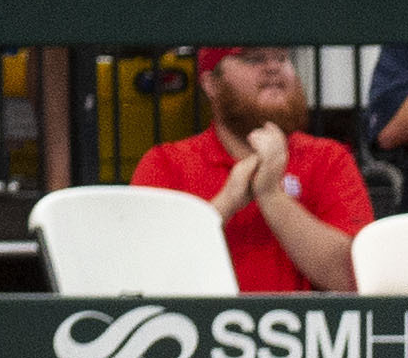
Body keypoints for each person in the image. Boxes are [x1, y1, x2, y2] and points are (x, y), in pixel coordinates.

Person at [128, 44, 371, 293]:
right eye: (253, 59)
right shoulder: (166, 163)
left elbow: (356, 278)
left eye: (282, 57)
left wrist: (271, 195)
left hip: (308, 330)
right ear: (211, 84)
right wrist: (226, 202)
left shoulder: (329, 158)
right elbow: (141, 276)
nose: (273, 67)